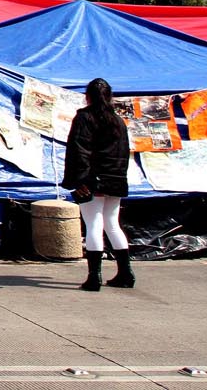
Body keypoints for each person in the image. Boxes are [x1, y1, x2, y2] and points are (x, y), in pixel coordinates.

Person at [62, 77, 134, 291]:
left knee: (94, 224)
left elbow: (78, 150)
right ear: (110, 96)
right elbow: (123, 153)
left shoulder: (84, 117)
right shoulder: (118, 121)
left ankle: (94, 276)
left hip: (92, 178)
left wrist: (79, 179)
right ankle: (125, 273)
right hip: (116, 178)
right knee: (113, 224)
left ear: (88, 97)